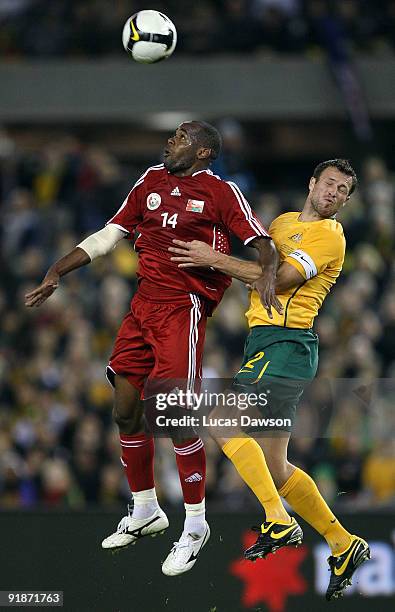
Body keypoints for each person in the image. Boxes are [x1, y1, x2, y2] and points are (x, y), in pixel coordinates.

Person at [24, 121, 282, 576]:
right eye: (172, 136)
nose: (170, 142)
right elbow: (110, 234)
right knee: (125, 409)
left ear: (203, 151)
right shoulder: (149, 181)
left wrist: (265, 271)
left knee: (175, 415)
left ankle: (197, 523)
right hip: (142, 305)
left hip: (183, 309)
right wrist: (56, 270)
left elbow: (261, 241)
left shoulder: (221, 192)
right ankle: (146, 508)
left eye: (180, 138)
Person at [168, 159, 370, 599]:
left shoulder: (328, 237)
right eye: (330, 184)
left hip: (285, 344)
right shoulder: (281, 223)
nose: (334, 193)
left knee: (221, 420)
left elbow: (276, 282)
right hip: (267, 345)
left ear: (346, 202)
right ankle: (342, 542)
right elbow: (254, 264)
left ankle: (278, 521)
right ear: (312, 183)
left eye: (343, 191)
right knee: (276, 468)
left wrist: (212, 258)